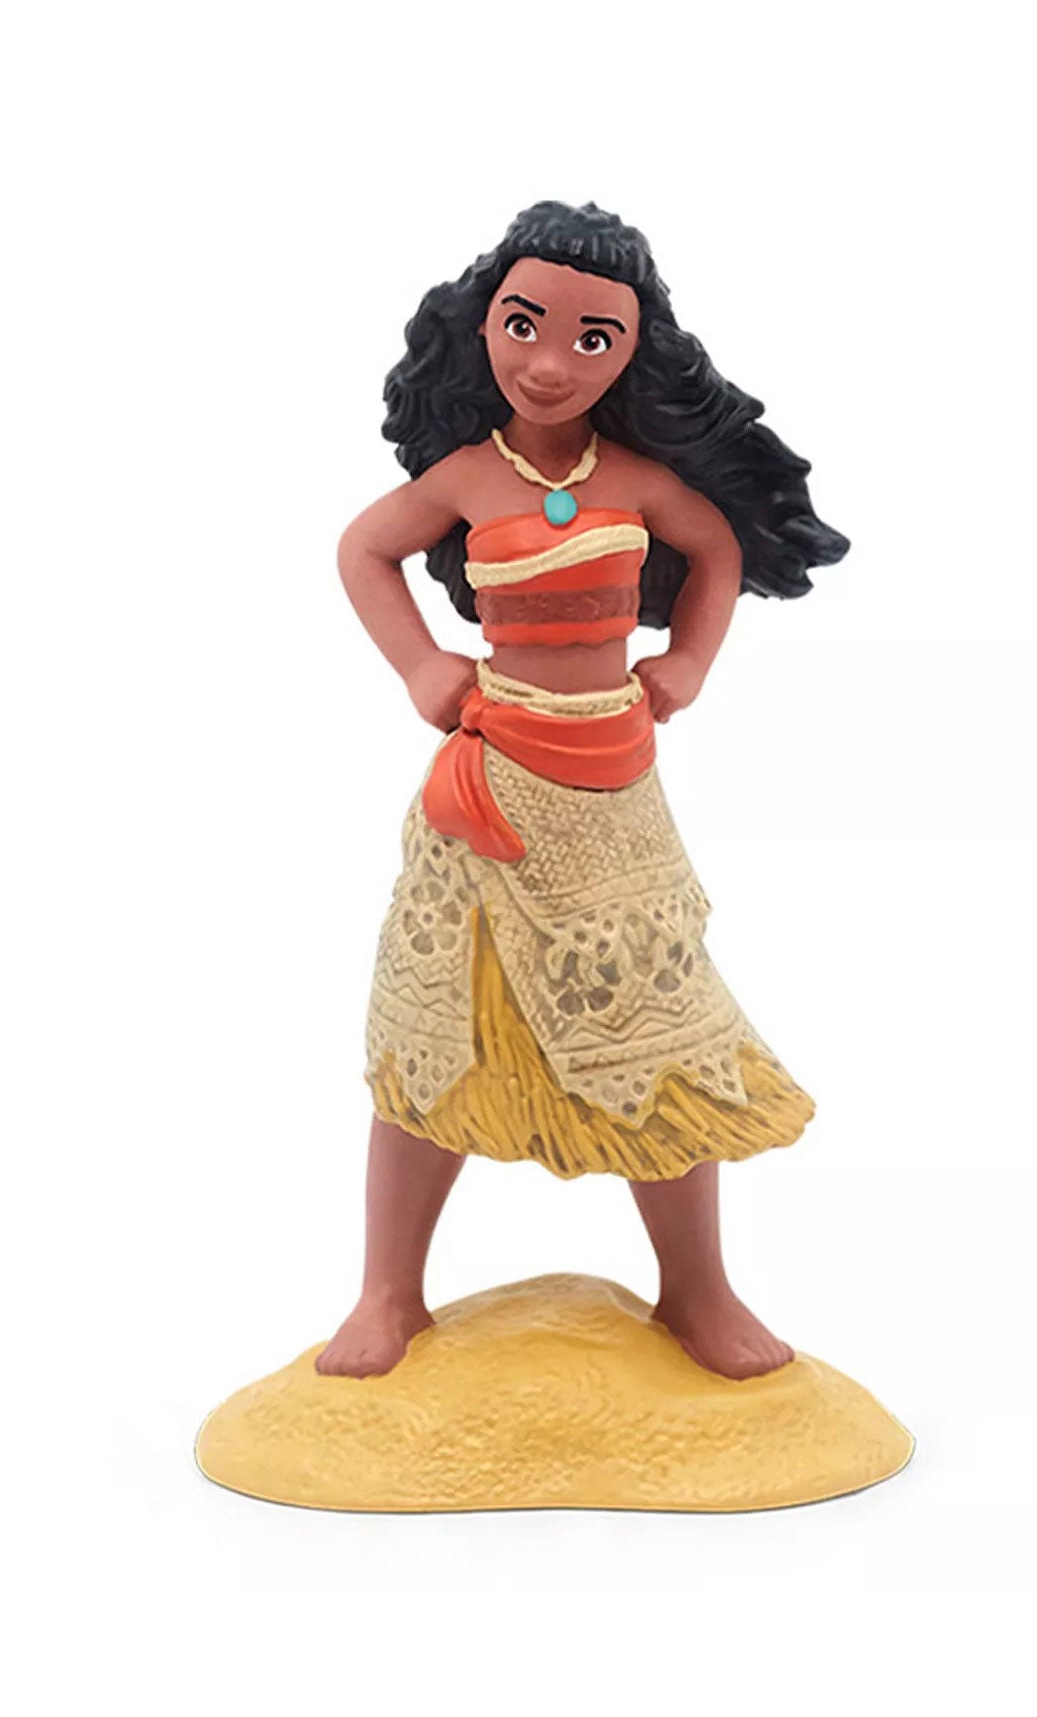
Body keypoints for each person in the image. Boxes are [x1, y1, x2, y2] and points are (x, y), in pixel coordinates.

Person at [322, 200, 849, 1380]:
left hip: (612, 788)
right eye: (525, 324)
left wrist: (688, 661)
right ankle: (387, 1292)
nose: (550, 363)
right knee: (433, 1033)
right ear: (482, 324)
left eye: (591, 337)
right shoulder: (467, 476)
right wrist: (422, 665)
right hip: (489, 783)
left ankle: (696, 1291)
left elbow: (717, 549)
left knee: (660, 1033)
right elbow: (363, 548)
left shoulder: (639, 479)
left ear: (632, 350)